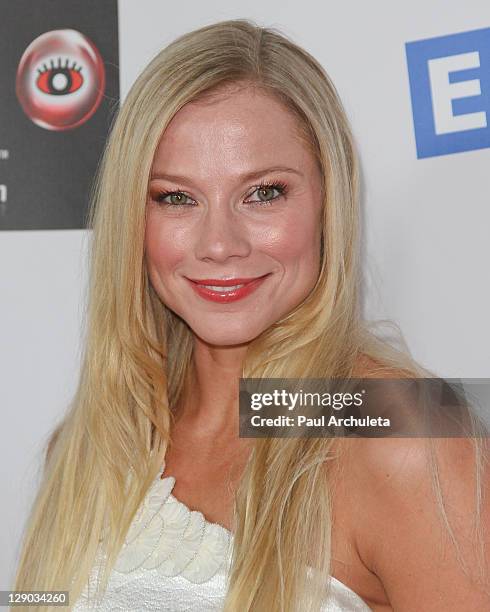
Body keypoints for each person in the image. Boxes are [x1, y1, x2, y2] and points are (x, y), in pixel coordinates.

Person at [13, 18, 489, 612]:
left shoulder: (405, 433)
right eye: (176, 197)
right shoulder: (91, 444)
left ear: (328, 200)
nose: (220, 244)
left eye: (263, 192)